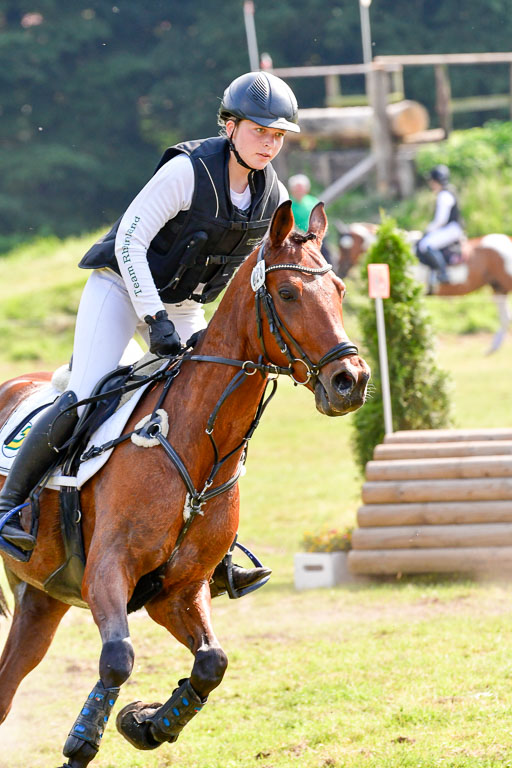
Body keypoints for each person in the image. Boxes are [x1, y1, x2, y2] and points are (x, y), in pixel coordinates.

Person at [0, 71, 300, 595]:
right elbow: (132, 241)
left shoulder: (269, 193)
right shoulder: (188, 171)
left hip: (182, 304)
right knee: (88, 393)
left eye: (277, 136)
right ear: (230, 127)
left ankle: (218, 547)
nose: (269, 143)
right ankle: (11, 509)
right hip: (120, 289)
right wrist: (153, 318)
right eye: (259, 131)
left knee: (212, 405)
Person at [416, 164, 464, 287]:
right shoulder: (448, 191)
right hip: (451, 228)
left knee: (425, 245)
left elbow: (440, 220)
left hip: (451, 229)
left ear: (437, 181)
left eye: (432, 181)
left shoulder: (444, 195)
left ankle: (443, 273)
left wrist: (428, 229)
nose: (431, 184)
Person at [288, 174, 332, 263]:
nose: (299, 190)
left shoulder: (313, 201)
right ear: (292, 189)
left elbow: (320, 218)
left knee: (326, 257)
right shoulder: (288, 203)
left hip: (315, 236)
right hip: (297, 239)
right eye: (297, 188)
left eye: (301, 188)